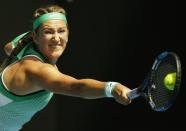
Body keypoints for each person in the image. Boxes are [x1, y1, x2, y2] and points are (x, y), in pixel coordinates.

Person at [0, 4, 131, 131]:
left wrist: (42, 32)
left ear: (68, 34)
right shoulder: (37, 70)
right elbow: (77, 87)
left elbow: (8, 47)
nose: (56, 38)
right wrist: (112, 88)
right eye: (48, 32)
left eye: (61, 31)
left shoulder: (22, 47)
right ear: (35, 36)